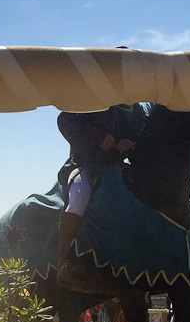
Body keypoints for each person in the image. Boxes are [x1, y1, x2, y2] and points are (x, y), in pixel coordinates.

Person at [54, 101, 149, 293]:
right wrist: (99, 138)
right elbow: (64, 119)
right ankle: (65, 261)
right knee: (79, 197)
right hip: (86, 165)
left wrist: (132, 145)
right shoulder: (97, 99)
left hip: (119, 167)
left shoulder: (137, 110)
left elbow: (144, 135)